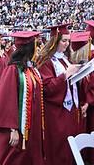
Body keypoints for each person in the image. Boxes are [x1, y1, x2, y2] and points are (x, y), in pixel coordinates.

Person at [0, 30, 45, 165]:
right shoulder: (13, 70)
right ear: (29, 48)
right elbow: (6, 101)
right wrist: (12, 129)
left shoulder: (30, 69)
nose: (38, 50)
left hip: (30, 128)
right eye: (36, 46)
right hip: (15, 130)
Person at [36, 23, 82, 165]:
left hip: (69, 110)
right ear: (54, 41)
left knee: (69, 144)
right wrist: (66, 74)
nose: (67, 44)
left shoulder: (65, 59)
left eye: (68, 41)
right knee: (58, 145)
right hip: (55, 111)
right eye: (64, 40)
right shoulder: (46, 61)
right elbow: (47, 88)